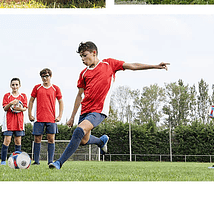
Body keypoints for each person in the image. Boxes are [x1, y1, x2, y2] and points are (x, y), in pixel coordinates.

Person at [49, 41, 169, 170]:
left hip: (99, 110)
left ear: (94, 53)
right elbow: (79, 95)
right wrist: (72, 116)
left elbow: (132, 66)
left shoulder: (109, 64)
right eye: (81, 57)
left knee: (79, 130)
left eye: (85, 55)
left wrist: (156, 66)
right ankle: (101, 141)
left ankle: (59, 163)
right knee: (83, 140)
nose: (83, 59)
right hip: (85, 110)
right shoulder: (83, 74)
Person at [28, 68, 63, 165]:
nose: (45, 78)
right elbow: (31, 101)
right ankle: (37, 161)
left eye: (46, 76)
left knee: (51, 139)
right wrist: (30, 114)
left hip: (51, 119)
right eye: (43, 76)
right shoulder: (37, 88)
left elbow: (60, 102)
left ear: (50, 76)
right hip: (38, 118)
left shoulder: (56, 88)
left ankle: (50, 161)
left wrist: (60, 116)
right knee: (37, 139)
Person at [0, 78, 28, 165]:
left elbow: (25, 108)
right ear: (10, 86)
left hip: (19, 122)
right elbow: (5, 108)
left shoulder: (23, 96)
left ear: (19, 86)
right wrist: (11, 103)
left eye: (16, 85)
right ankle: (3, 161)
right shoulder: (7, 96)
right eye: (13, 85)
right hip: (9, 122)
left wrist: (20, 109)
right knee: (7, 140)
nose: (15, 86)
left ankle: (17, 161)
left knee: (18, 141)